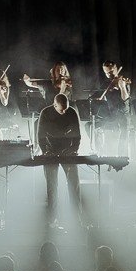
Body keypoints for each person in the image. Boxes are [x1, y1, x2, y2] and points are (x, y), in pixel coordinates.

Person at [36, 79, 87, 226]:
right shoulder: (45, 113)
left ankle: (77, 218)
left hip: (68, 152)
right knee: (52, 187)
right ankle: (52, 219)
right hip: (50, 151)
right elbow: (40, 136)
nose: (64, 112)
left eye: (66, 109)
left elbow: (77, 135)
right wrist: (46, 151)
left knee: (74, 185)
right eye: (61, 109)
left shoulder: (71, 112)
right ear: (54, 105)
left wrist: (73, 150)